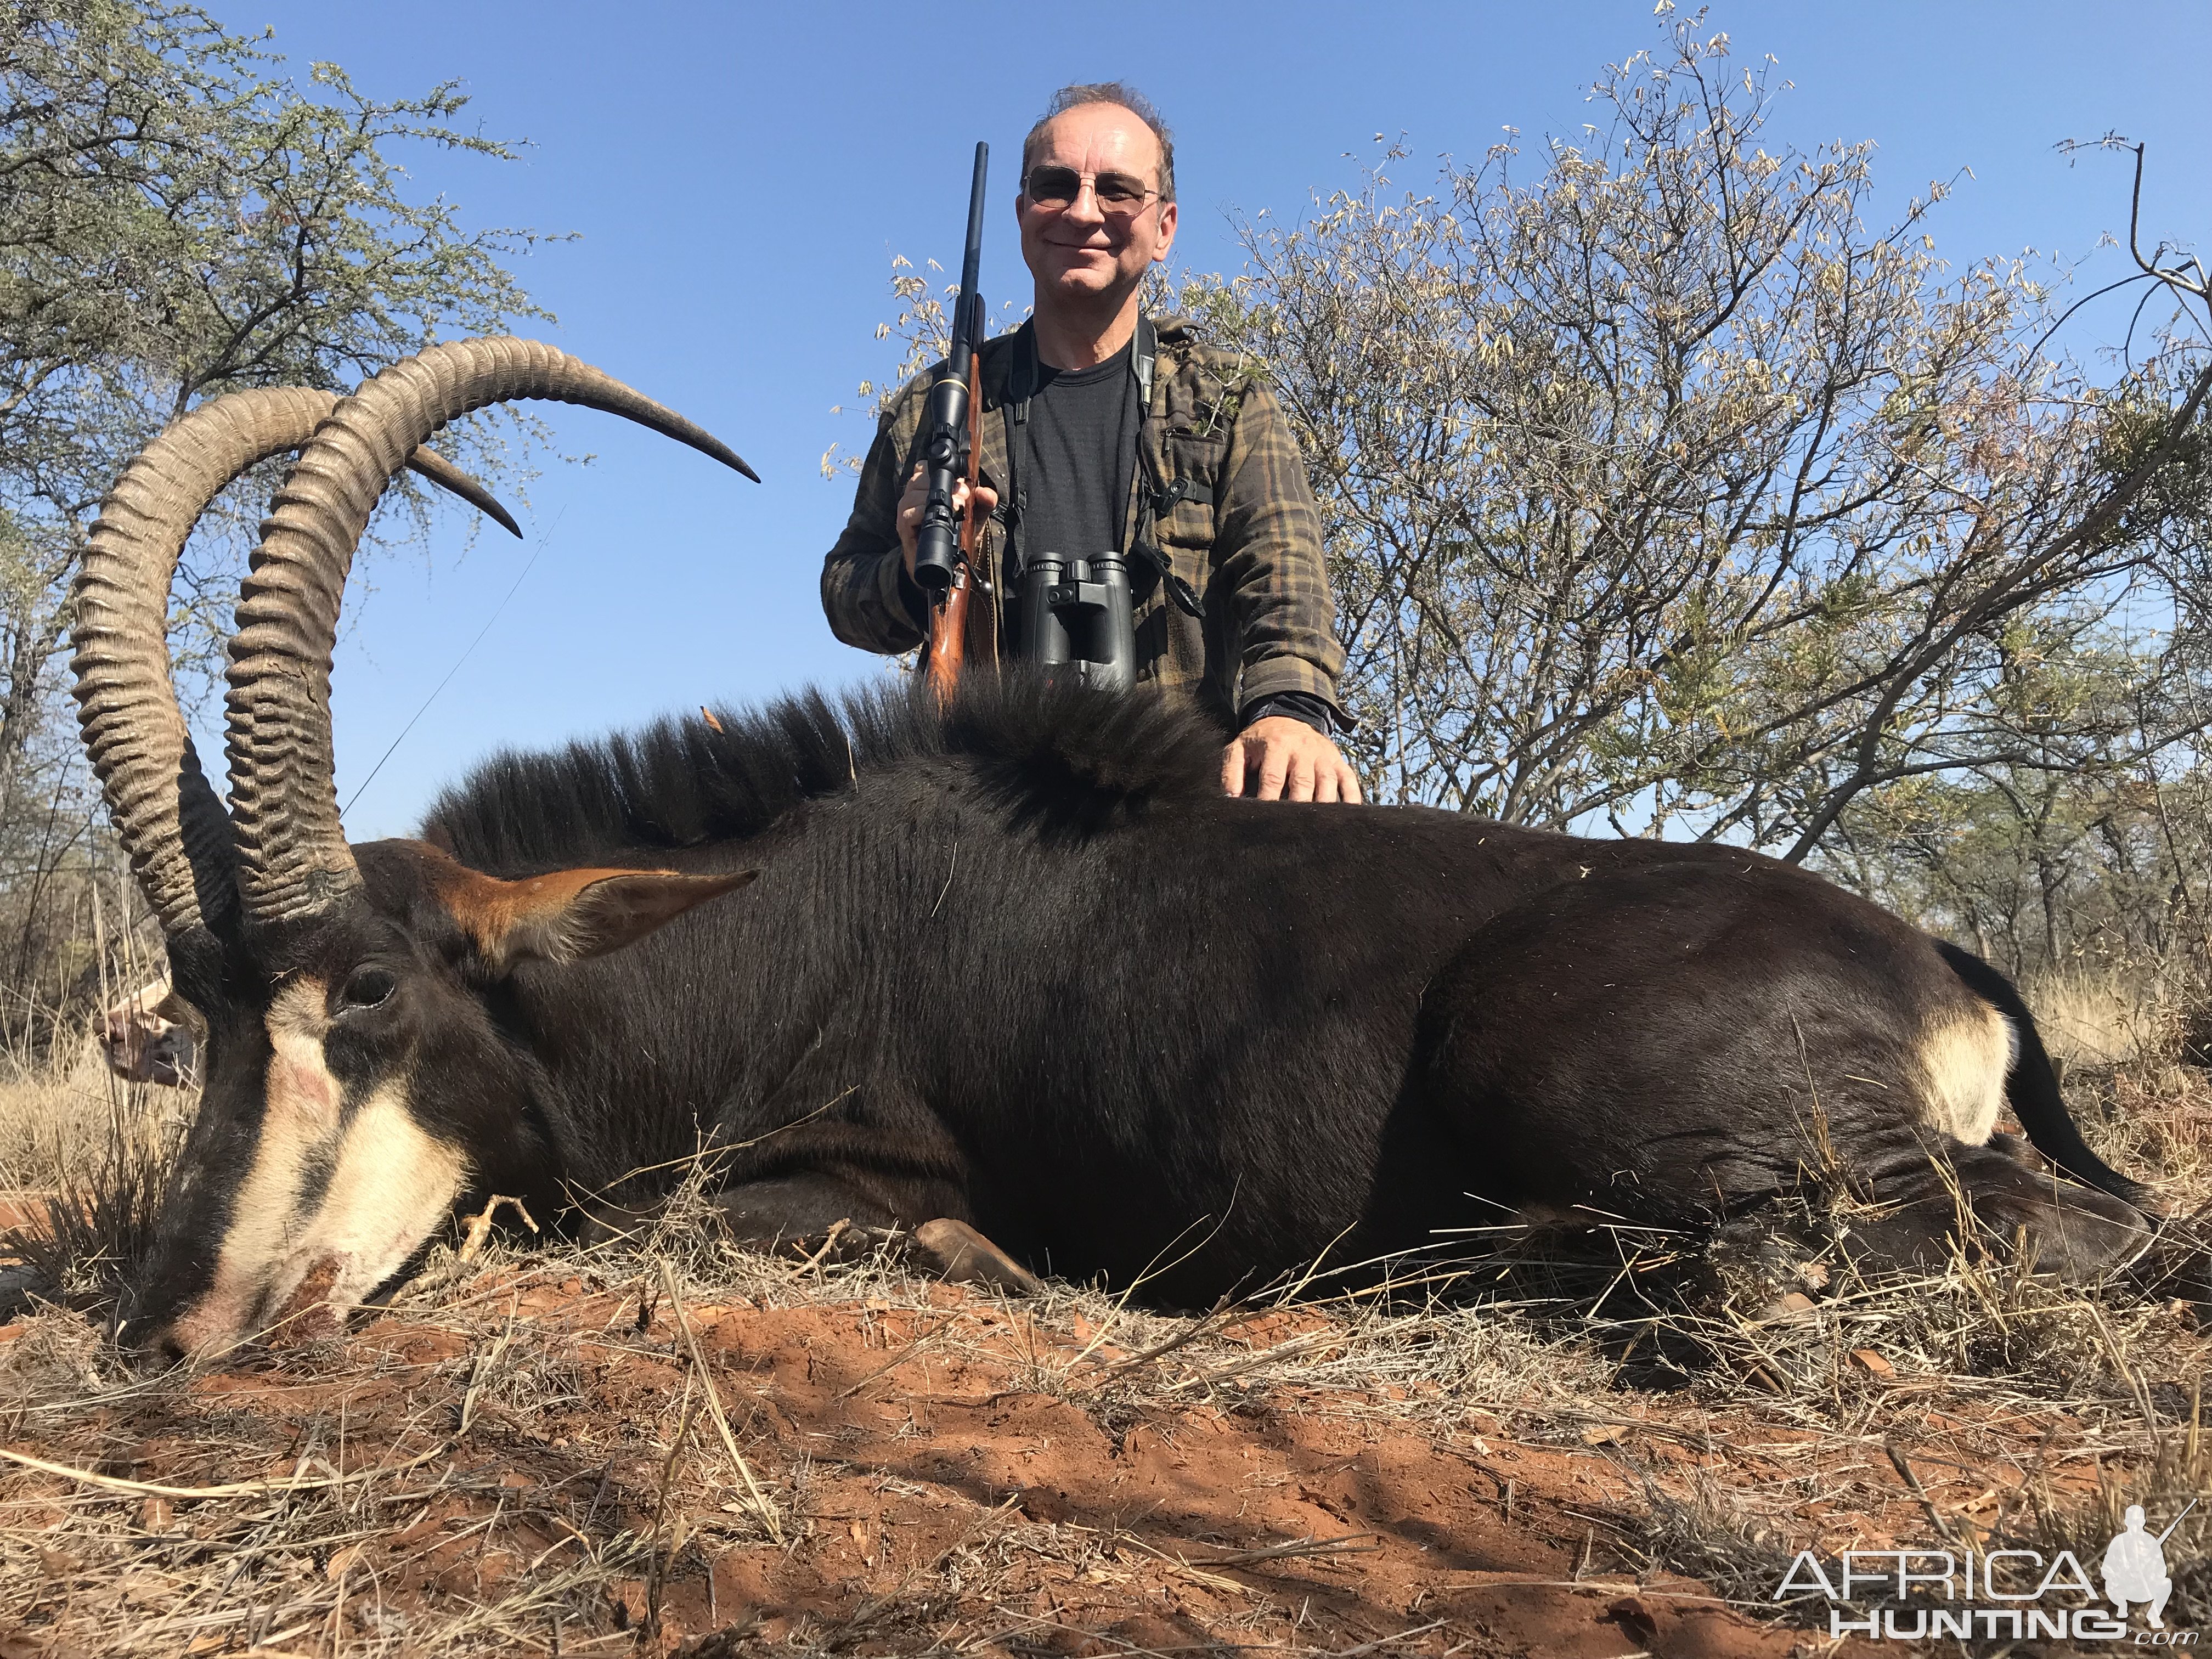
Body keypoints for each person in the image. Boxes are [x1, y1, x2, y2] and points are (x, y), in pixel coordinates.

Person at [822, 82, 1360, 803]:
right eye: (1054, 188)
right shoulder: (936, 406)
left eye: (1116, 190)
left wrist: (1290, 710)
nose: (1082, 211)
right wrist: (911, 563)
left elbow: (1285, 578)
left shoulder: (1228, 400)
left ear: (1164, 227)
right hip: (988, 815)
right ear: (1020, 216)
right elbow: (843, 595)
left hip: (1182, 815)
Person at [2102, 1505, 2174, 1628]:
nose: (2135, 1527)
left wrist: (2150, 1571)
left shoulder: (2151, 1541)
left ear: (2143, 1522)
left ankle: (2153, 1616)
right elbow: (2106, 1569)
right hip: (2123, 1587)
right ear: (2126, 1522)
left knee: (2166, 1584)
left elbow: (2162, 1569)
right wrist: (2121, 1574)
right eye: (2132, 1523)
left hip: (2145, 1586)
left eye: (2138, 1522)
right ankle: (2121, 1609)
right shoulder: (2119, 1541)